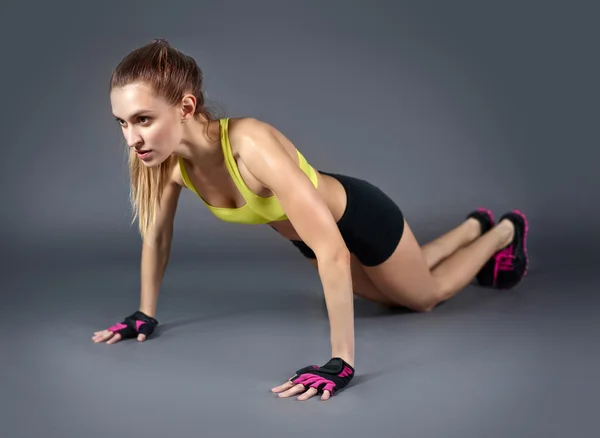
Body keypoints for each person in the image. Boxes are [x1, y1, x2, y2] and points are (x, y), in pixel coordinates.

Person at [92, 39, 529, 401]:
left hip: (358, 219)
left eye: (143, 120)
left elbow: (333, 250)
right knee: (392, 293)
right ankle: (473, 225)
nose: (132, 138)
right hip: (314, 240)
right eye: (122, 124)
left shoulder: (250, 144)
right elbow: (158, 237)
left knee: (424, 297)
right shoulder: (167, 164)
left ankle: (503, 232)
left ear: (185, 107)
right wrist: (143, 313)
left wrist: (341, 361)